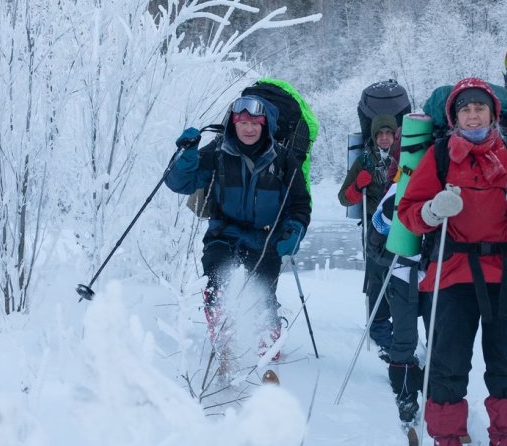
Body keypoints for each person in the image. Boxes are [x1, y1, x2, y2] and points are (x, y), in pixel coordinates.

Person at [396, 78, 507, 446]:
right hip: (452, 271)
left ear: (492, 113)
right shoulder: (439, 157)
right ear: (453, 117)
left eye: (479, 108)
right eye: (465, 109)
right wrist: (433, 211)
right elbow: (409, 213)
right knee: (448, 360)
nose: (473, 114)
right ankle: (447, 440)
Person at [165, 95, 311, 364]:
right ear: (233, 123)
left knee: (262, 294)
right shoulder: (217, 152)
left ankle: (268, 351)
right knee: (216, 287)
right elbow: (178, 183)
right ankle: (225, 348)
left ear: (265, 125)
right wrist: (186, 155)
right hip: (224, 233)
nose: (249, 128)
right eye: (242, 122)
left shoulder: (283, 159)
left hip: (267, 238)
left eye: (255, 122)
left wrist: (294, 231)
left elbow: (300, 203)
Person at [367, 165, 431, 426]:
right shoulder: (398, 188)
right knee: (404, 338)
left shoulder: (449, 183)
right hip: (404, 271)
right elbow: (376, 235)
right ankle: (405, 394)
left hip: (440, 274)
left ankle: (438, 396)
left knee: (443, 340)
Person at [338, 114, 398, 361]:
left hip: (402, 226)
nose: (384, 138)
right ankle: (379, 327)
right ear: (374, 137)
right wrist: (356, 188)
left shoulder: (405, 157)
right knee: (376, 276)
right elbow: (343, 198)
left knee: (402, 277)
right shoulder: (364, 160)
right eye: (379, 134)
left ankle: (401, 326)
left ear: (395, 135)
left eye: (388, 133)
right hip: (374, 228)